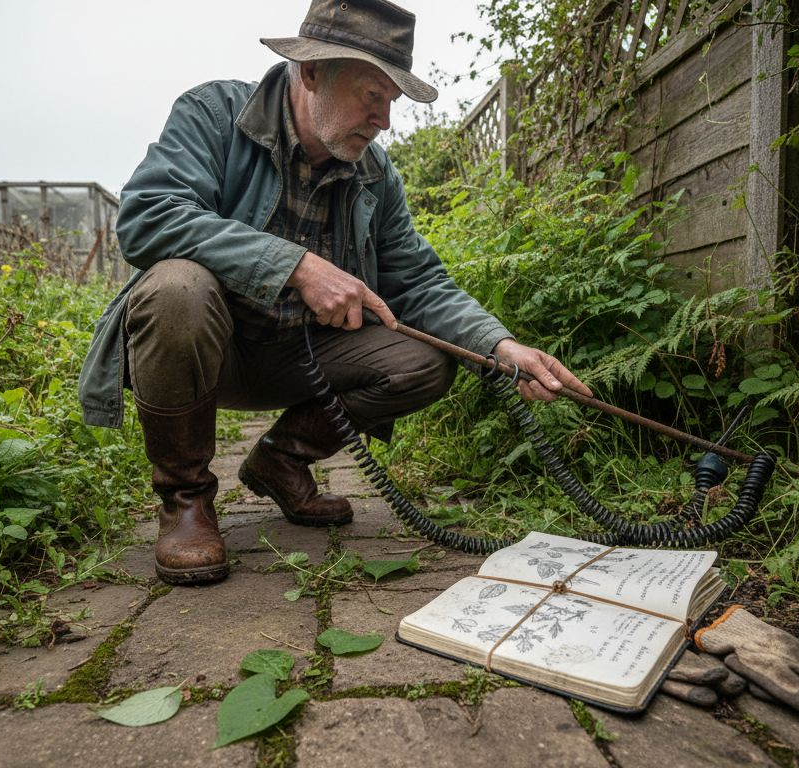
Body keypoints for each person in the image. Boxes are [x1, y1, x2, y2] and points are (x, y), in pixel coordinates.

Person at [78, 0, 590, 586]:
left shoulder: (375, 173)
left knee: (423, 361)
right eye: (372, 96)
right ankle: (186, 501)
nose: (384, 120)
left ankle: (281, 462)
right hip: (205, 352)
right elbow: (148, 215)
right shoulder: (213, 113)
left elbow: (418, 281)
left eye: (391, 103)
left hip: (300, 357)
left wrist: (501, 347)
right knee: (175, 287)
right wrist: (296, 266)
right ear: (312, 72)